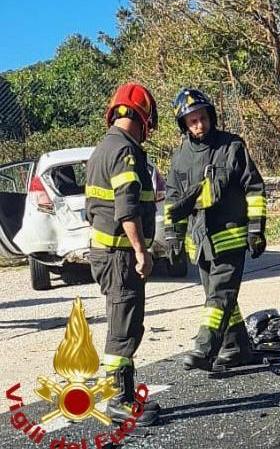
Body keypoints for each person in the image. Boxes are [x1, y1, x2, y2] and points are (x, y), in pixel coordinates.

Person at [164, 88, 267, 371]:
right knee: (223, 299)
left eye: (203, 118)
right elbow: (173, 201)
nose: (199, 125)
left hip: (231, 238)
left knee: (219, 297)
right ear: (184, 124)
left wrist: (256, 229)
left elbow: (255, 189)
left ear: (211, 116)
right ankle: (237, 348)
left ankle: (204, 347)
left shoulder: (231, 147)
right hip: (201, 243)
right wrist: (172, 238)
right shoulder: (180, 158)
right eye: (192, 121)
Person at [85, 82, 161, 425]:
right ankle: (119, 399)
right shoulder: (126, 152)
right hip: (119, 256)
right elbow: (126, 209)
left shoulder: (104, 148)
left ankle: (124, 395)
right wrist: (141, 251)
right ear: (143, 117)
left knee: (124, 321)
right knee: (123, 324)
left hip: (108, 253)